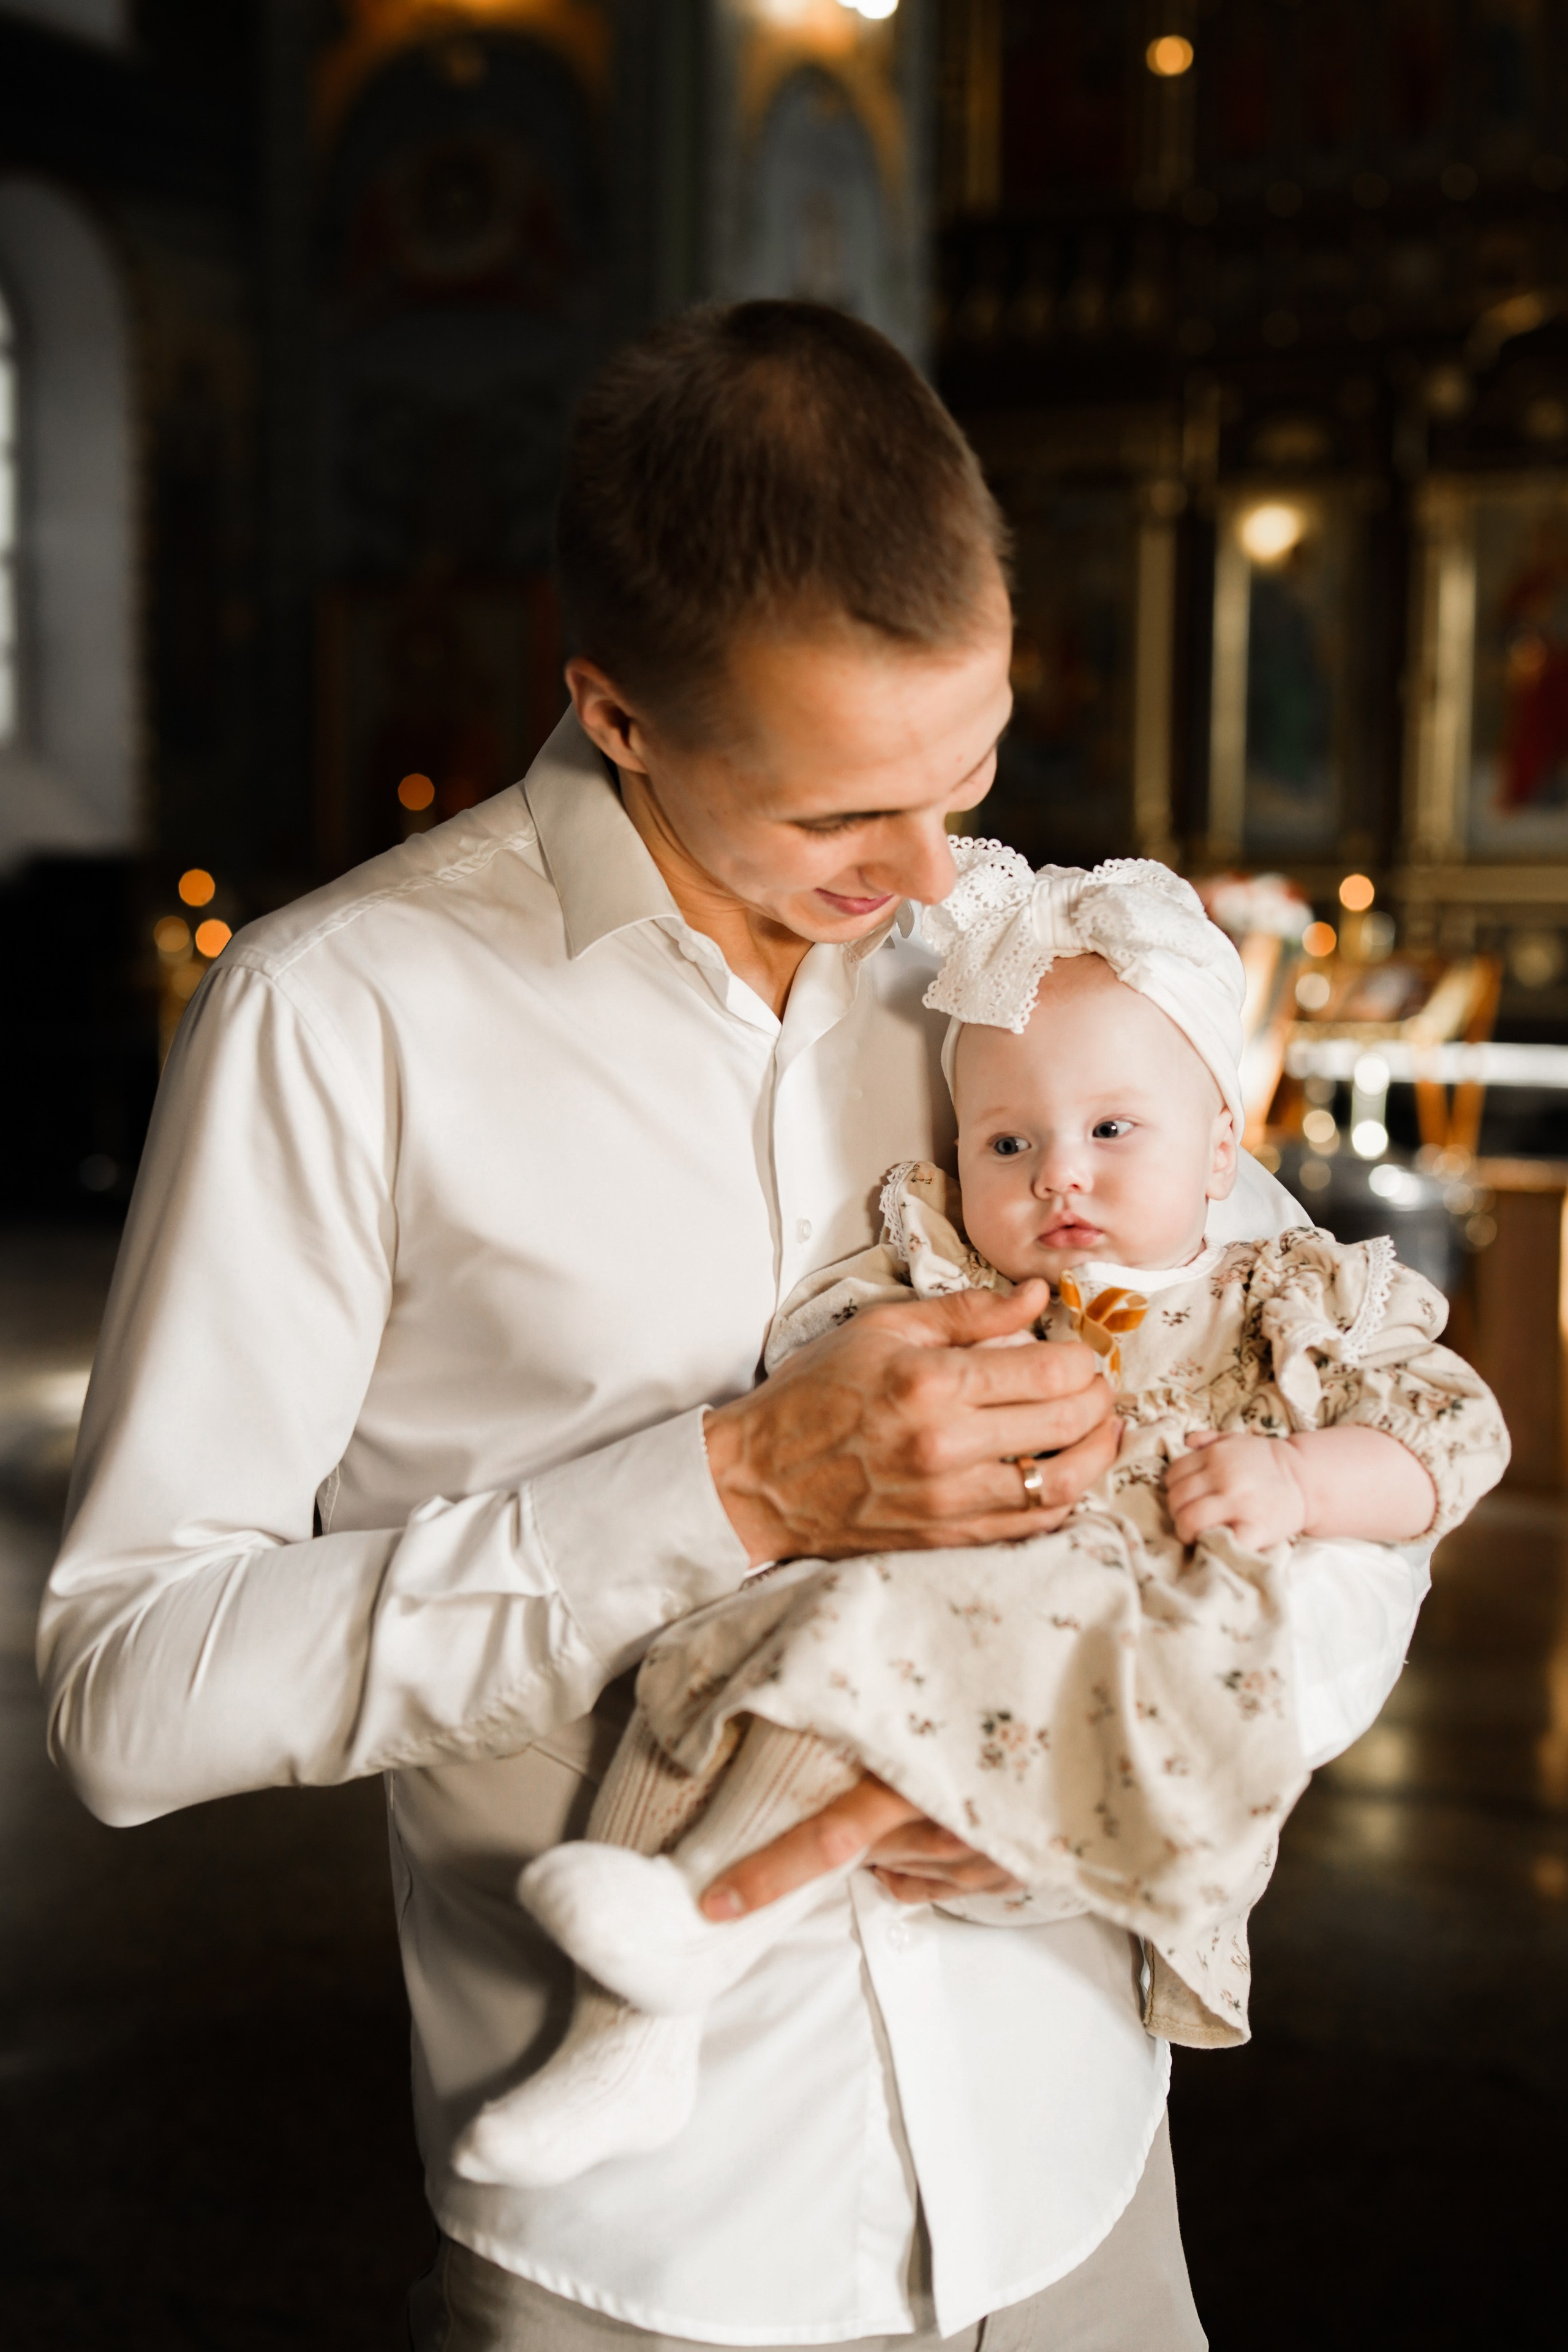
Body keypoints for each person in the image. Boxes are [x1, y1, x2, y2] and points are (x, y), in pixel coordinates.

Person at [39, 304, 1434, 2352]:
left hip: (1081, 2178)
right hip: (646, 2247)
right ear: (617, 712)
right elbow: (126, 1694)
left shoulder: (1026, 963)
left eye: (961, 777)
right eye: (837, 818)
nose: (931, 872)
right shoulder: (341, 1026)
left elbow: (1355, 1424)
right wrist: (729, 1489)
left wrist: (1144, 1768)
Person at [451, 851, 1507, 2190]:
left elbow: (1452, 1435)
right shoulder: (947, 1272)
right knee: (710, 1666)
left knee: (871, 1668)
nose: (1058, 1176)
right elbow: (831, 1365)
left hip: (1122, 1645)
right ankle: (621, 2041)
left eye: (1112, 1134)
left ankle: (694, 1921)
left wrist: (1303, 1483)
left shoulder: (1276, 1296)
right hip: (922, 1593)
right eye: (1008, 1144)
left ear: (1220, 1152)